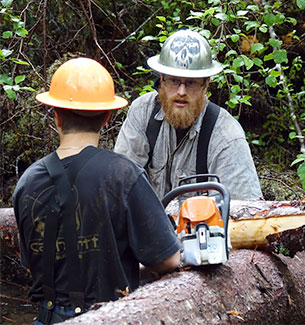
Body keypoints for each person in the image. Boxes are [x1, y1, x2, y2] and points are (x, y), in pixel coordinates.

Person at [13, 57, 181, 324]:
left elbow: (32, 262)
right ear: (106, 117)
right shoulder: (124, 175)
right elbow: (168, 261)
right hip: (110, 317)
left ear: (56, 116)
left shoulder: (26, 182)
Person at [114, 28, 263, 201]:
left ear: (206, 84)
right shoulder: (142, 112)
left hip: (202, 227)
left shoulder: (226, 136)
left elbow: (242, 211)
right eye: (174, 80)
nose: (181, 91)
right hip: (147, 224)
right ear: (161, 79)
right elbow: (120, 186)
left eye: (191, 82)